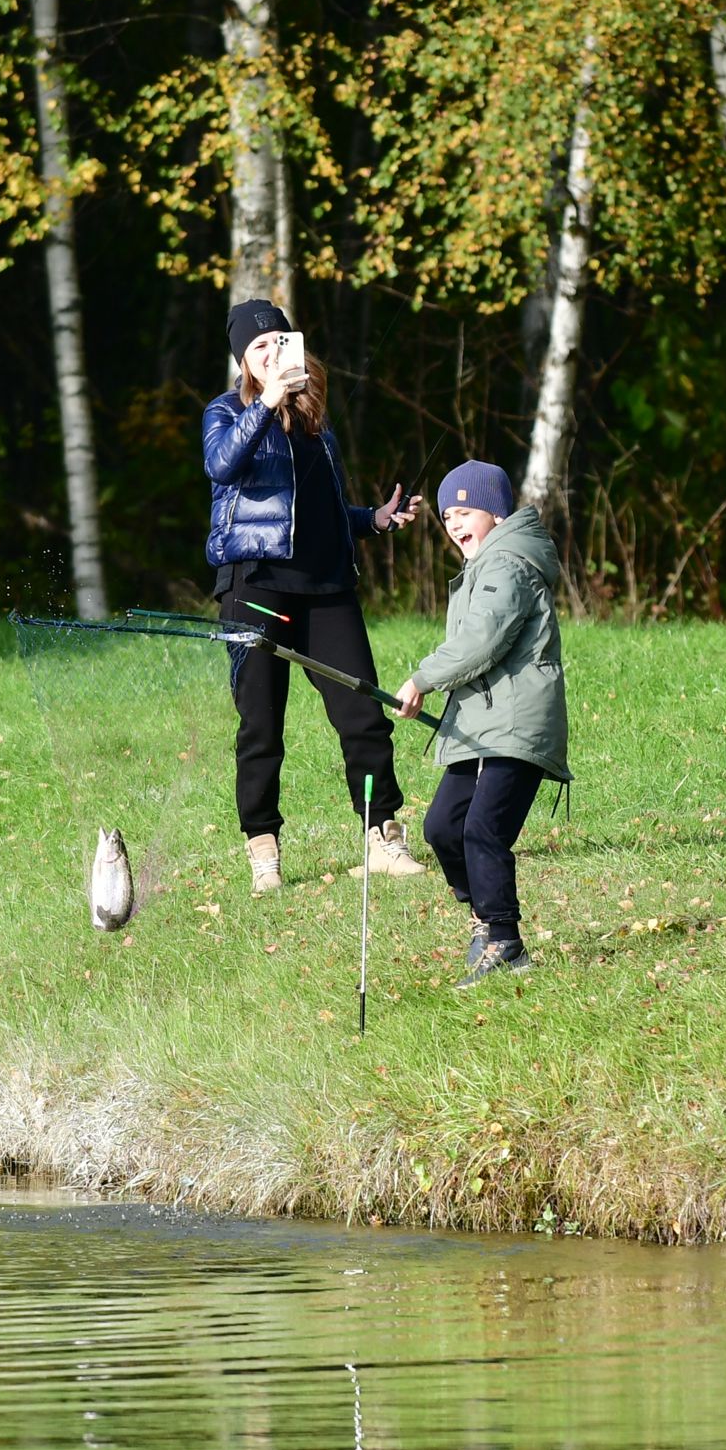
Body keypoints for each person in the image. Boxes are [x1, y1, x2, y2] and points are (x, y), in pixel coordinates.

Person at [204, 300, 424, 894]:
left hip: (326, 587)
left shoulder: (316, 428)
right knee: (261, 726)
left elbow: (316, 513)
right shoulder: (226, 413)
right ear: (244, 362)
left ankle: (382, 835)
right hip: (255, 586)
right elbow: (223, 467)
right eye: (259, 347)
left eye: (281, 340)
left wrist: (372, 519)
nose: (273, 352)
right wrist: (267, 402)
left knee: (363, 714)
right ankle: (263, 851)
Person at [393, 460, 568, 984]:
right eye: (446, 517)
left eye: (464, 512)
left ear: (495, 511)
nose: (453, 524)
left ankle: (507, 940)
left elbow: (482, 641)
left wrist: (423, 678)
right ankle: (483, 919)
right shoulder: (482, 567)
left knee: (483, 831)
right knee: (442, 827)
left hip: (518, 726)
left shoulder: (508, 565)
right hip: (483, 727)